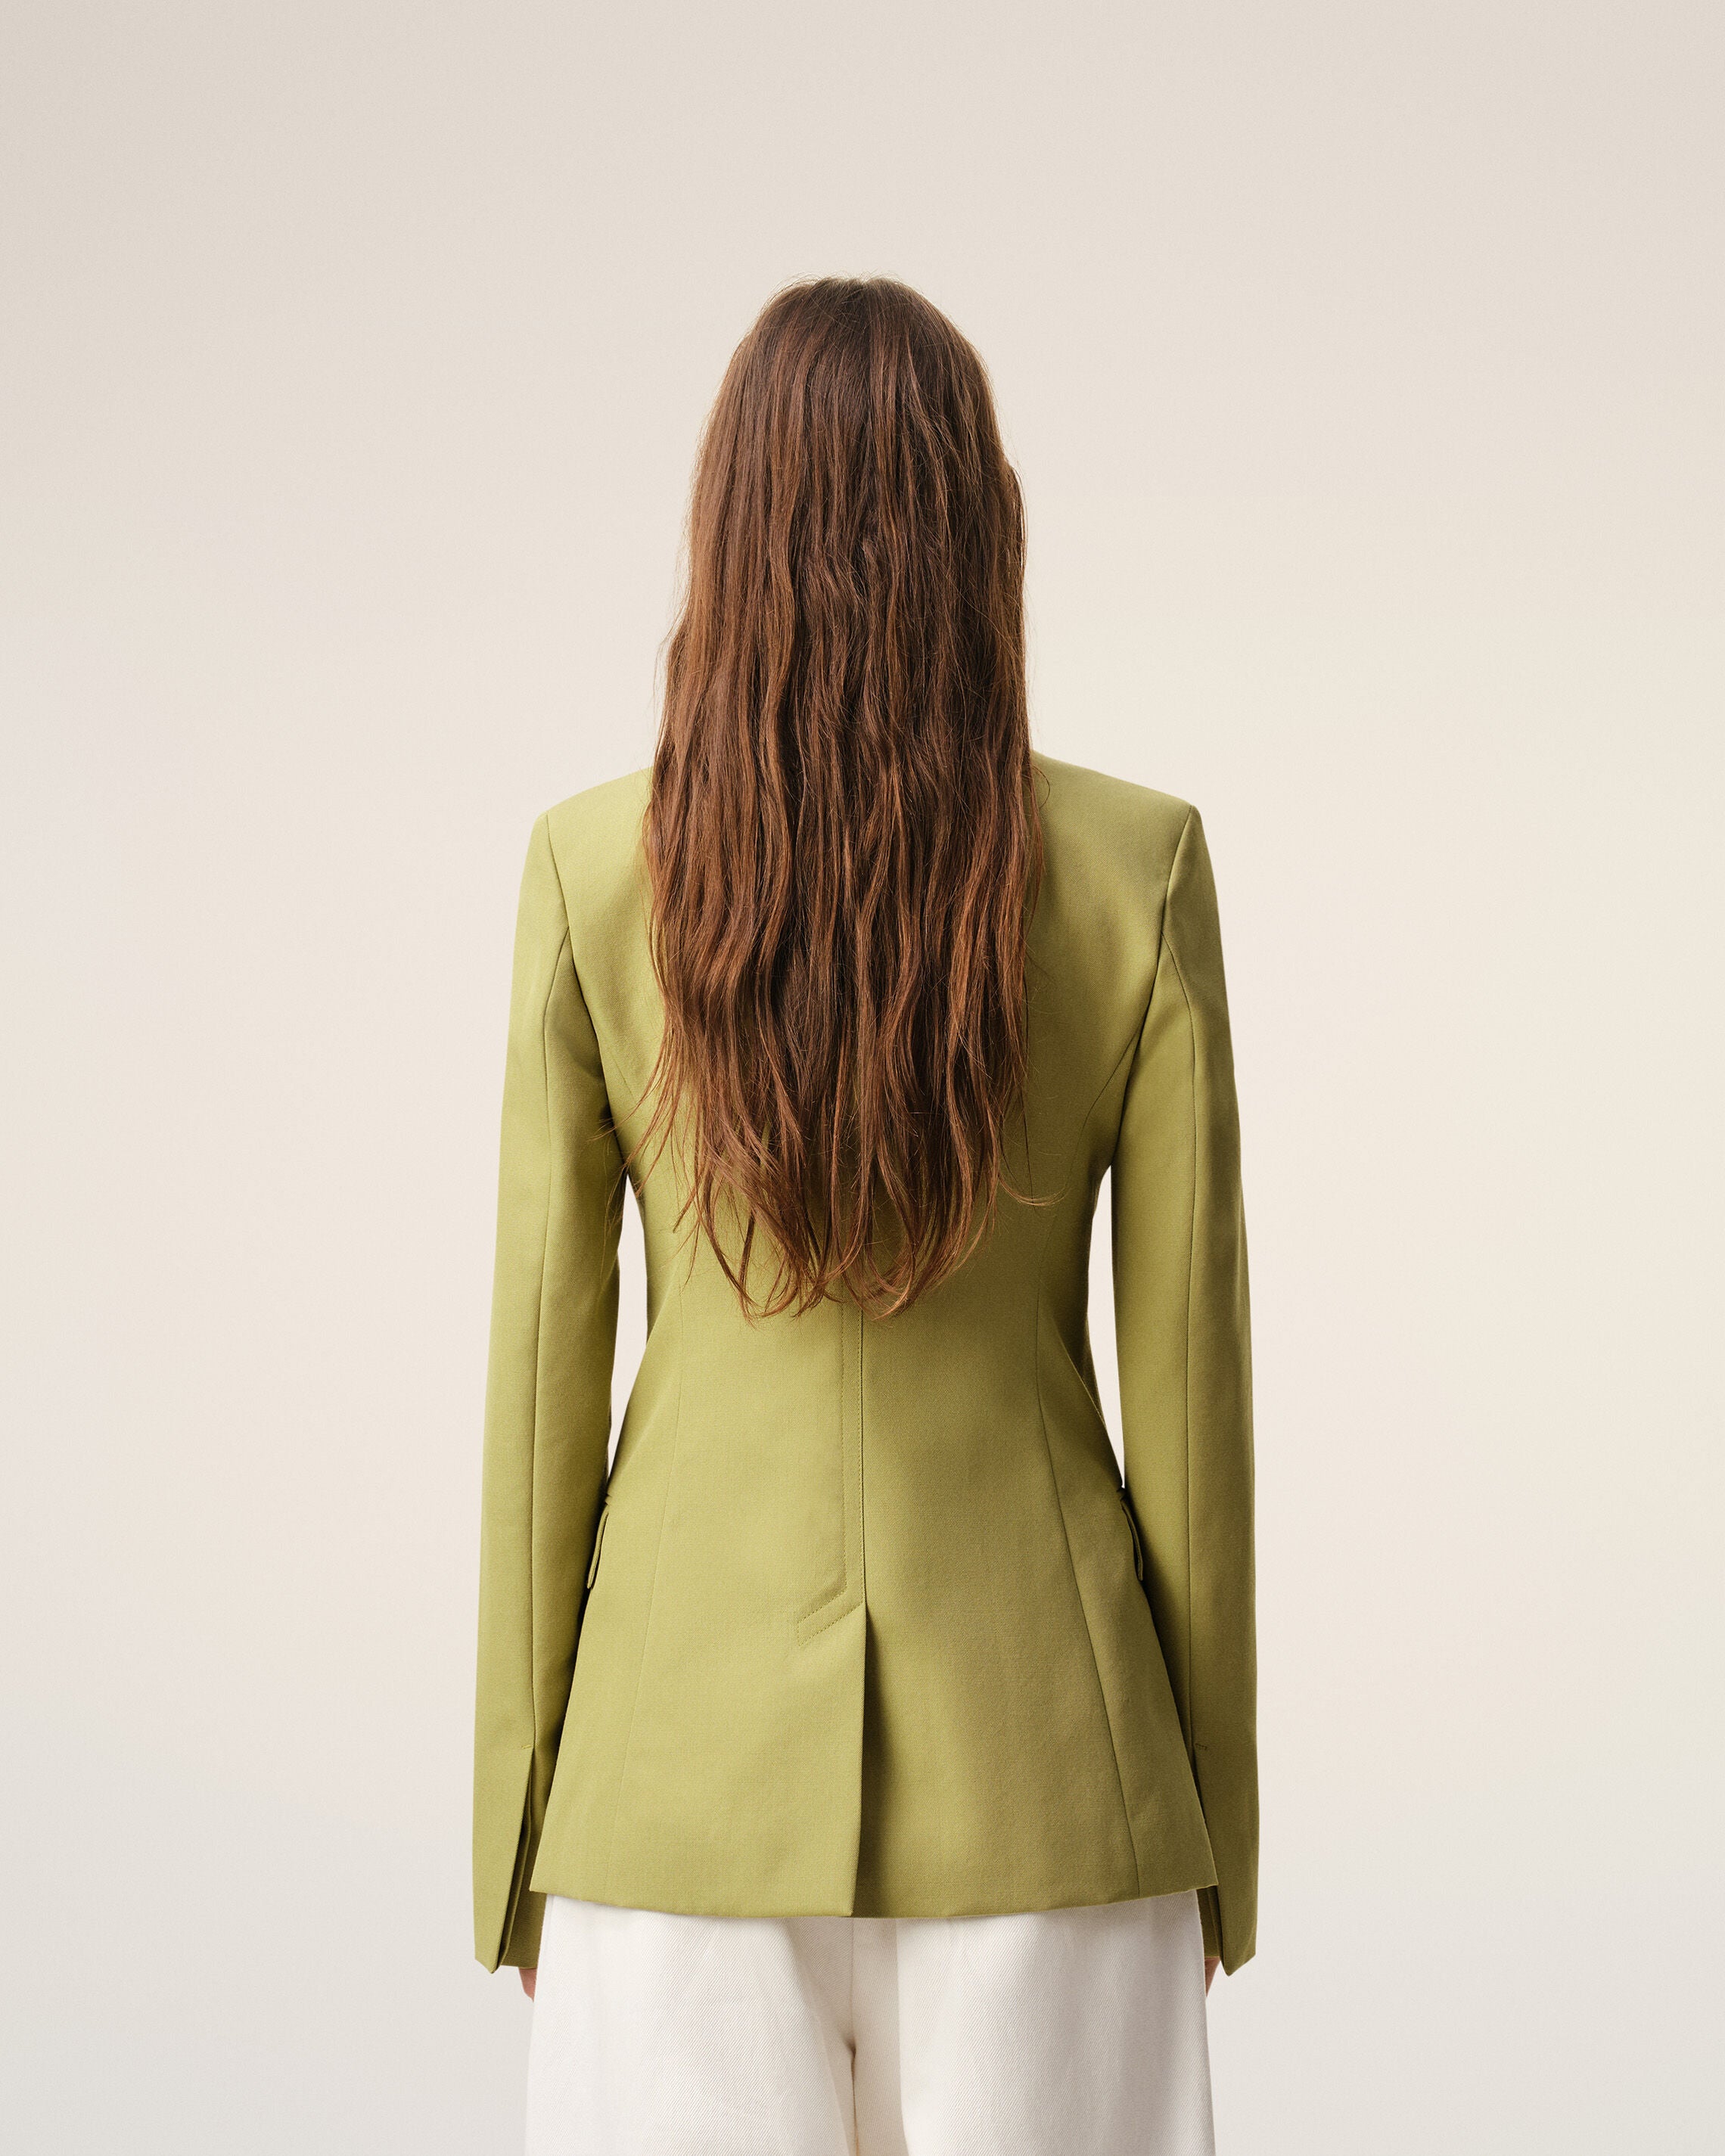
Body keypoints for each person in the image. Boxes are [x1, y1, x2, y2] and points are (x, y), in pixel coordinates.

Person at [472, 277, 1256, 2156]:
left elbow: (541, 1390)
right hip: (1051, 1778)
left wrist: (521, 1824)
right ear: (983, 528)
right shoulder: (1133, 870)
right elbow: (1192, 1402)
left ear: (727, 532)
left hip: (670, 1780)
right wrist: (1211, 1826)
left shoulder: (594, 872)